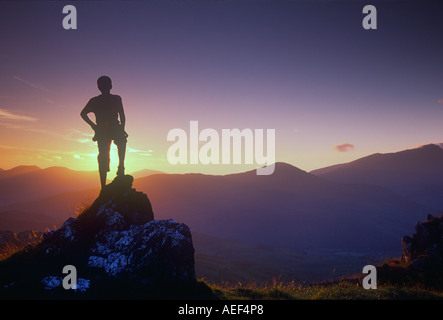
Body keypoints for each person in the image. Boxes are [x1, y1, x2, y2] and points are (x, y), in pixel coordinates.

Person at [81, 76, 128, 190]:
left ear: (99, 87)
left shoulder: (95, 101)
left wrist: (94, 126)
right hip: (114, 128)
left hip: (102, 130)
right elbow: (122, 115)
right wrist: (122, 129)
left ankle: (103, 186)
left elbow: (83, 114)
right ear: (111, 86)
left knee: (103, 156)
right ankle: (121, 167)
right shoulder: (116, 98)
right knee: (121, 143)